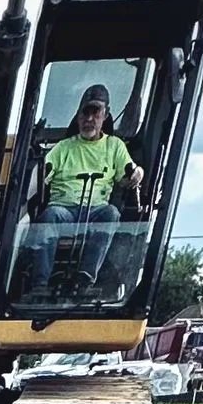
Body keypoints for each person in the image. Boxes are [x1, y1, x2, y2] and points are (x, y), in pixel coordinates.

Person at [20, 84, 143, 298]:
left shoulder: (115, 146)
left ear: (105, 116)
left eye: (95, 112)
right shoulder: (63, 147)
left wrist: (136, 174)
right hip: (64, 211)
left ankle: (85, 279)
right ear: (78, 117)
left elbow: (128, 174)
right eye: (85, 112)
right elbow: (41, 175)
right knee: (49, 215)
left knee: (112, 213)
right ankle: (40, 284)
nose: (89, 118)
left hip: (96, 212)